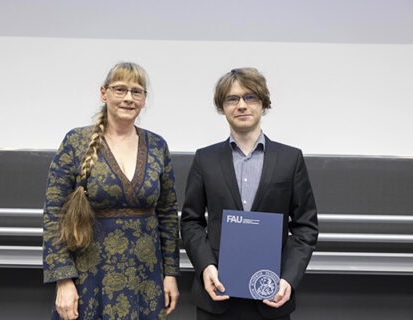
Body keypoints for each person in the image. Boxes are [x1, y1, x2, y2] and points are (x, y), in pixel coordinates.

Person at [43, 62, 180, 320]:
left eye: (136, 91)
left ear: (144, 99)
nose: (128, 98)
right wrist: (63, 280)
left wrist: (170, 274)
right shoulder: (75, 142)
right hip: (89, 279)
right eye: (120, 89)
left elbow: (169, 216)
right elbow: (54, 215)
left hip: (146, 280)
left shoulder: (157, 145)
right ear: (104, 93)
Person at [180, 68, 319, 320]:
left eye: (250, 97)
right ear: (223, 107)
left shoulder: (290, 159)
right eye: (232, 99)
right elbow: (191, 221)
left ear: (263, 104)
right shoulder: (205, 159)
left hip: (271, 295)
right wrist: (205, 267)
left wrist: (288, 278)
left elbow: (305, 227)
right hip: (217, 294)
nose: (242, 105)